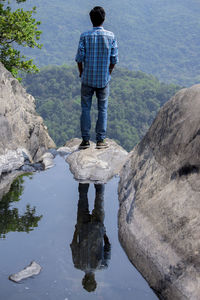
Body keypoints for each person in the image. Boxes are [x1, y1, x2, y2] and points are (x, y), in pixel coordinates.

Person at [75, 6, 119, 149]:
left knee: (85, 109)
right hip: (103, 80)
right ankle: (100, 141)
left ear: (91, 19)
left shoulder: (84, 36)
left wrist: (81, 72)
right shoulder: (111, 36)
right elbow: (114, 60)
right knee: (103, 109)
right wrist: (108, 73)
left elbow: (79, 58)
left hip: (87, 79)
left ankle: (85, 141)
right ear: (104, 19)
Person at [70, 183, 111, 292]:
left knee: (99, 200)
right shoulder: (77, 264)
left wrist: (103, 232)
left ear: (94, 280)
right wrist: (76, 229)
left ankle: (100, 180)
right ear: (83, 280)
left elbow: (107, 246)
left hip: (97, 228)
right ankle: (83, 180)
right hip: (82, 228)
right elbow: (73, 245)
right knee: (82, 199)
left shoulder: (103, 265)